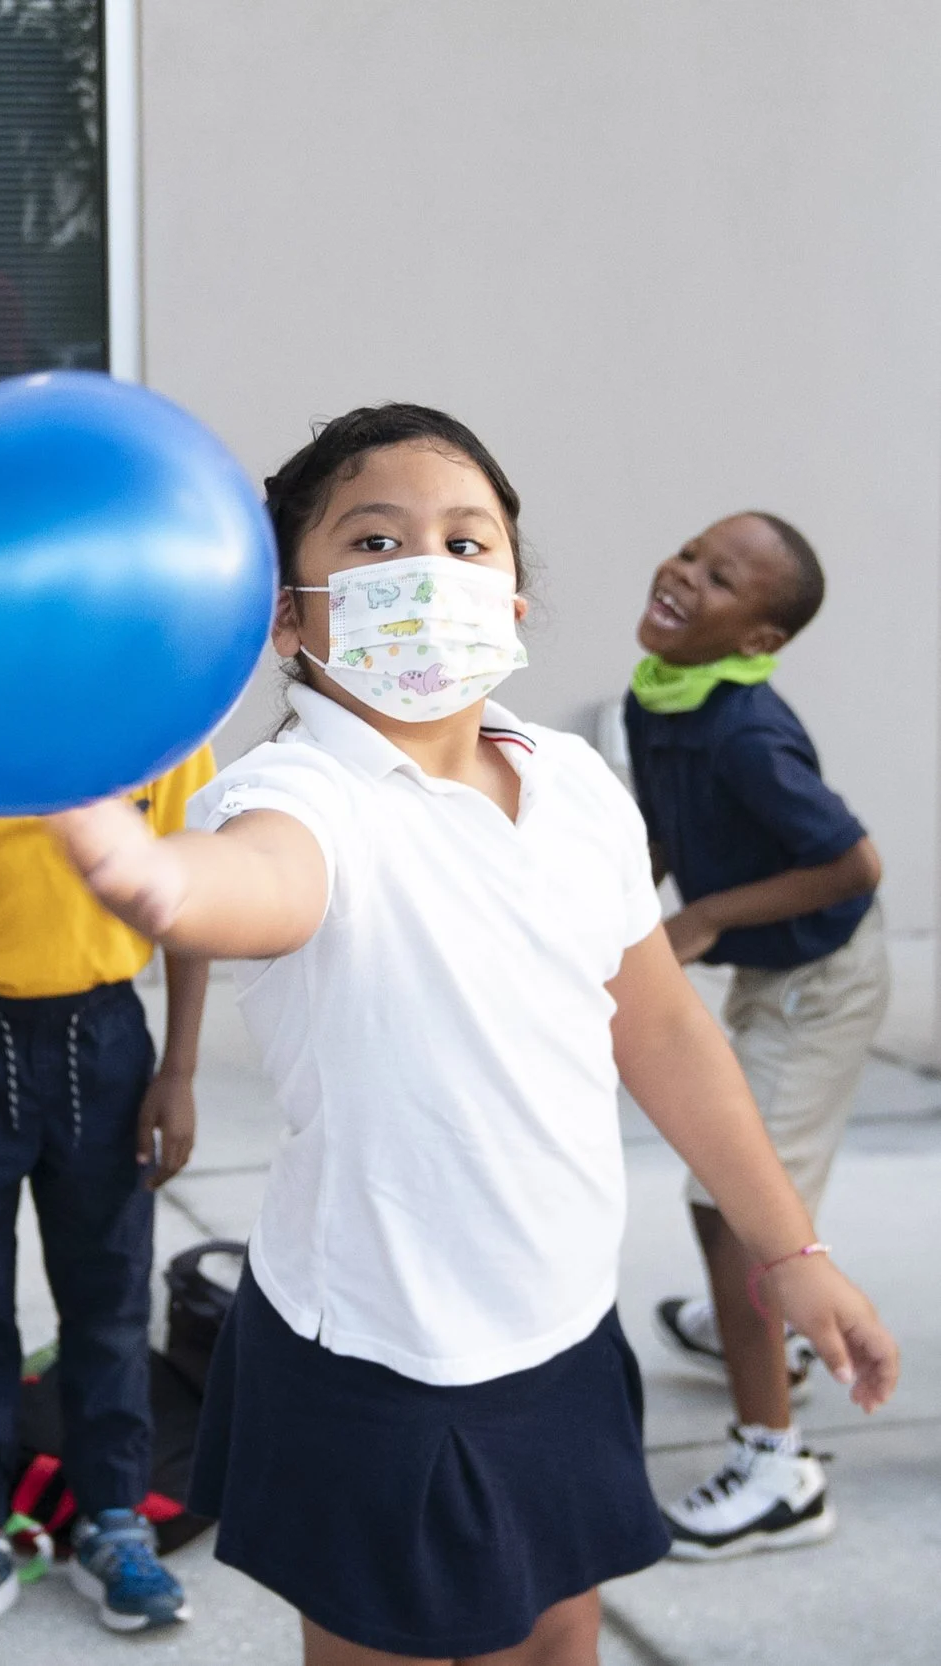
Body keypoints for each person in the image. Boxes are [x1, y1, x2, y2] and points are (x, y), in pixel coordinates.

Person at [45, 405, 899, 1666]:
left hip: (557, 1331)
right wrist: (129, 856)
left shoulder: (572, 783)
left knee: (559, 1636)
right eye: (375, 542)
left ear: (511, 592)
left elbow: (659, 1028)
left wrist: (791, 1250)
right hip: (377, 1368)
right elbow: (233, 886)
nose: (427, 572)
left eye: (465, 540)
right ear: (291, 615)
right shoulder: (297, 797)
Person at [0, 748, 213, 1649]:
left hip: (103, 1043)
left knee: (110, 1299)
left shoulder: (157, 724)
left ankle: (114, 1522)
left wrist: (176, 1070)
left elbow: (188, 903)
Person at [622, 511, 887, 1560]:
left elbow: (853, 866)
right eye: (687, 551)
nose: (682, 574)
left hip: (820, 981)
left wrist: (708, 916)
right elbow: (660, 826)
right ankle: (767, 1341)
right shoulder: (662, 693)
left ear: (756, 641)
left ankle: (778, 1468)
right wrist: (621, 917)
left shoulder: (744, 730)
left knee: (738, 1206)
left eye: (719, 578)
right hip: (772, 972)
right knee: (720, 1183)